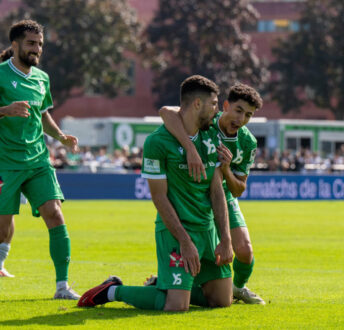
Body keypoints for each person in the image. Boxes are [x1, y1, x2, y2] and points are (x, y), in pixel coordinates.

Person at [78, 75, 233, 311]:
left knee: (222, 301)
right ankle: (112, 291)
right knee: (176, 306)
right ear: (197, 104)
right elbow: (159, 197)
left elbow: (217, 192)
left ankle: (164, 285)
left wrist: (226, 238)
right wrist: (184, 240)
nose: (217, 111)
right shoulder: (157, 142)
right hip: (176, 232)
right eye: (214, 104)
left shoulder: (211, 136)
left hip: (207, 230)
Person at [156, 83, 265, 304]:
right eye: (238, 110)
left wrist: (225, 169)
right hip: (196, 193)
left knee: (244, 251)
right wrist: (190, 149)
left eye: (248, 115)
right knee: (194, 250)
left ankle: (238, 288)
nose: (241, 119)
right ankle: (173, 285)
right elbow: (165, 112)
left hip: (223, 195)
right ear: (225, 105)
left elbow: (239, 189)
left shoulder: (248, 142)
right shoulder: (208, 121)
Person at [0, 20, 80, 299]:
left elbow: (43, 114)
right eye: (31, 43)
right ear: (15, 45)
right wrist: (5, 110)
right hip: (4, 163)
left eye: (40, 44)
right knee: (2, 227)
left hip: (38, 162)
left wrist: (61, 136)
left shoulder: (42, 78)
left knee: (55, 215)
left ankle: (62, 286)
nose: (37, 49)